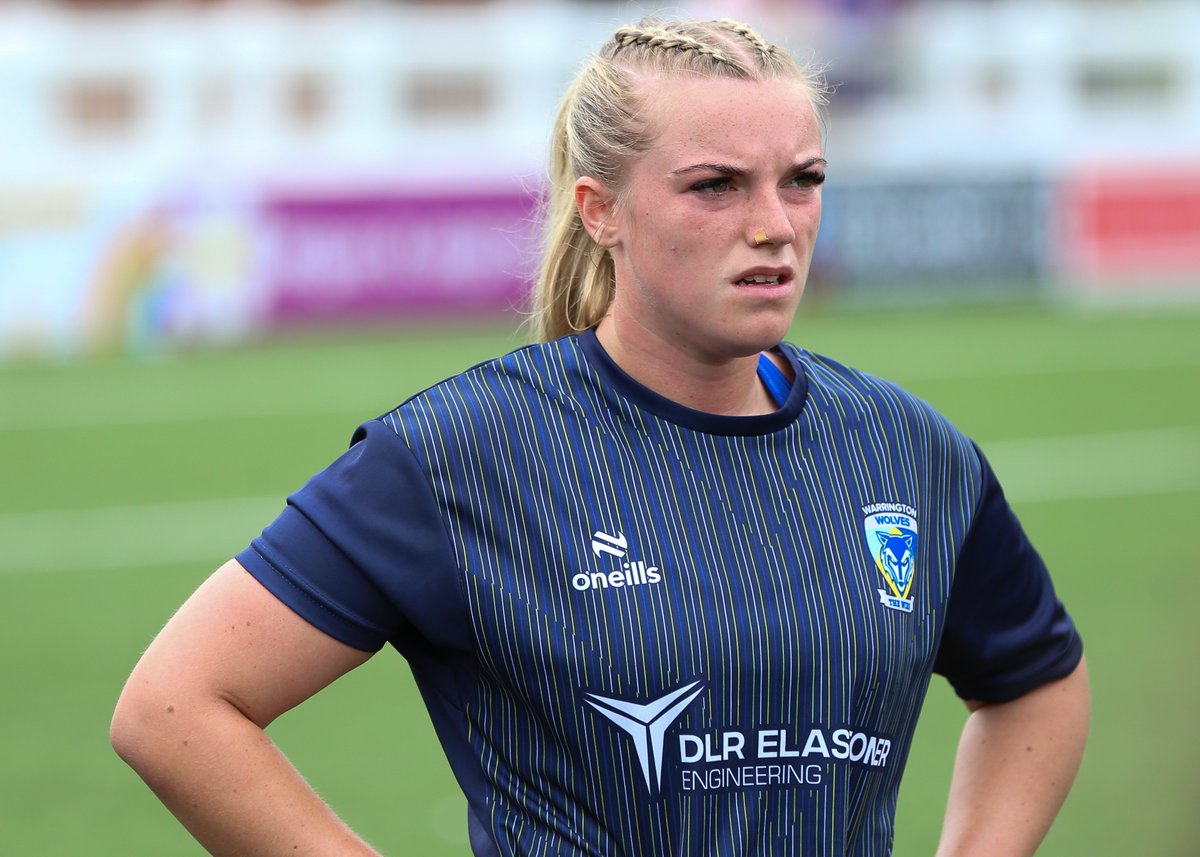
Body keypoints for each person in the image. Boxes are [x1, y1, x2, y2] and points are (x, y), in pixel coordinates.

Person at [111, 16, 1089, 857]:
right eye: (716, 185)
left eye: (802, 179)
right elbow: (174, 707)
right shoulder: (464, 453)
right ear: (600, 210)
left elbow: (1037, 677)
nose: (775, 224)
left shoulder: (904, 447)